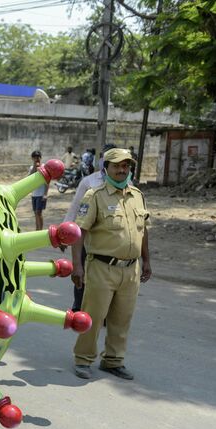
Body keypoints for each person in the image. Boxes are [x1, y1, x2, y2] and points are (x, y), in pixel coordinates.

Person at [70, 148, 152, 380]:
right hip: (101, 268)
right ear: (106, 168)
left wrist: (147, 260)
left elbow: (142, 230)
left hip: (131, 269)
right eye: (117, 165)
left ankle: (113, 360)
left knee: (122, 318)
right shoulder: (95, 195)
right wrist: (77, 266)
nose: (122, 170)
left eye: (126, 166)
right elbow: (79, 232)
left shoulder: (137, 195)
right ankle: (83, 359)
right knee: (93, 316)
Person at [62, 161, 108, 310]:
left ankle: (103, 312)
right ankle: (78, 306)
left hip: (107, 241)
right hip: (86, 237)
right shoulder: (89, 182)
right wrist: (63, 233)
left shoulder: (126, 183)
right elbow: (75, 208)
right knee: (81, 271)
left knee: (103, 278)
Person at [28, 150, 48, 231]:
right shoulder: (31, 168)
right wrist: (35, 167)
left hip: (41, 194)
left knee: (39, 213)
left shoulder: (44, 167)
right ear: (32, 158)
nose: (37, 159)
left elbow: (47, 181)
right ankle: (37, 229)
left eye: (38, 157)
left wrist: (45, 194)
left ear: (41, 158)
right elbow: (30, 178)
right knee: (35, 213)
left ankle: (40, 230)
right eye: (35, 157)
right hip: (34, 194)